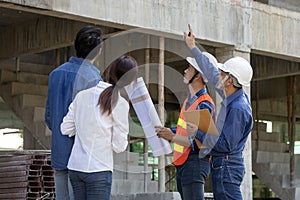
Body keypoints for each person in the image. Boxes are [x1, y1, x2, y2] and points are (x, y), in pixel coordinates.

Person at [184, 24, 253, 200]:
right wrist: (193, 46)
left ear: (230, 81)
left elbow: (224, 145)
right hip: (224, 166)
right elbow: (210, 70)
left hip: (227, 167)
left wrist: (197, 133)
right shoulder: (231, 95)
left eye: (222, 74)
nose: (218, 76)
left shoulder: (238, 108)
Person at [60, 55, 138, 200]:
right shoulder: (120, 104)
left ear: (109, 72)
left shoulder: (81, 96)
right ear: (129, 81)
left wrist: (84, 126)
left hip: (76, 167)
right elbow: (119, 146)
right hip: (99, 169)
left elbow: (65, 128)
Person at [45, 26, 103, 200]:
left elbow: (49, 117)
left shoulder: (55, 74)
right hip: (82, 158)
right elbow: (93, 122)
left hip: (59, 152)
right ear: (99, 51)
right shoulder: (93, 79)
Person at [156, 56, 216, 200]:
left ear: (198, 76)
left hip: (194, 162)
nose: (185, 71)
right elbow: (184, 128)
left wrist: (172, 137)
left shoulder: (203, 103)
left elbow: (199, 142)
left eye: (189, 68)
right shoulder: (190, 100)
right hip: (184, 162)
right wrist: (171, 131)